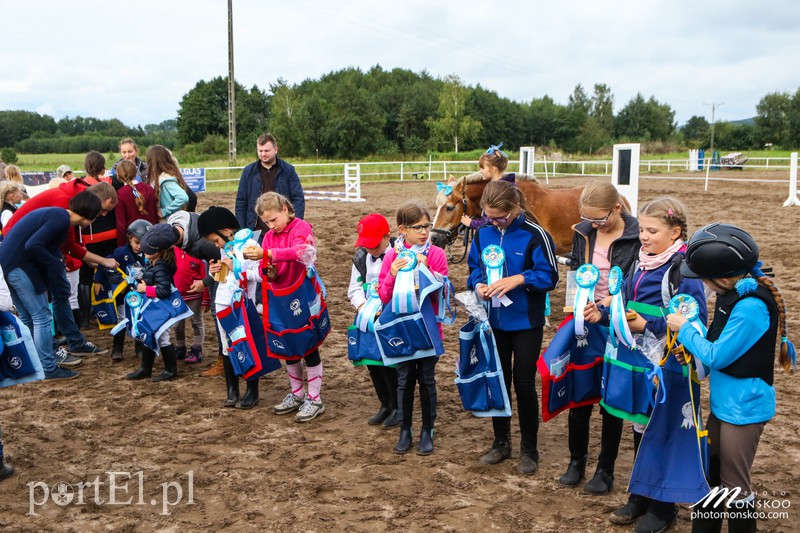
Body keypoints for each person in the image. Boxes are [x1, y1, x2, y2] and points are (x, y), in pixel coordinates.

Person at [667, 223, 794, 533]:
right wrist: (693, 356)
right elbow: (713, 353)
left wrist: (685, 329)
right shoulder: (731, 295)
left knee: (735, 483)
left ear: (722, 278)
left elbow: (717, 355)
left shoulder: (750, 307)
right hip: (726, 404)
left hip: (744, 409)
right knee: (711, 472)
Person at [591, 197, 707, 533]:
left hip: (669, 365)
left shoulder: (683, 271)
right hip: (639, 361)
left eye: (652, 230)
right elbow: (626, 302)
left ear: (675, 232)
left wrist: (648, 327)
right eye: (641, 228)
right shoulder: (640, 262)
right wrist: (603, 313)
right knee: (640, 425)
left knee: (663, 431)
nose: (643, 236)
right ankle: (641, 494)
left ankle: (663, 506)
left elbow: (693, 324)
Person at [466, 180, 559, 474]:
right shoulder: (482, 234)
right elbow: (473, 269)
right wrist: (478, 284)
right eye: (489, 216)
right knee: (499, 380)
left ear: (515, 207)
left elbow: (550, 276)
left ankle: (529, 449)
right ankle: (501, 442)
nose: (494, 222)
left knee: (523, 383)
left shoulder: (536, 235)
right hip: (494, 321)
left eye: (500, 217)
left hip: (526, 322)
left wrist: (520, 279)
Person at [559, 180, 640, 493]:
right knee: (580, 393)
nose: (593, 225)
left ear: (617, 208)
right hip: (586, 320)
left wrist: (606, 306)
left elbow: (632, 283)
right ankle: (575, 461)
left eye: (599, 219)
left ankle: (605, 469)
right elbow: (579, 271)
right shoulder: (584, 232)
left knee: (612, 399)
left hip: (618, 321)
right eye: (588, 219)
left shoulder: (635, 236)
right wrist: (577, 308)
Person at [4, 180, 116, 359]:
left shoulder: (68, 206)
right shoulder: (63, 207)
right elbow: (66, 244)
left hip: (16, 254)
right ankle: (50, 355)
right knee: (41, 313)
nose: (103, 215)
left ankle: (51, 351)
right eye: (103, 210)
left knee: (45, 304)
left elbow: (65, 243)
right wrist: (57, 263)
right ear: (92, 204)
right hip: (21, 256)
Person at [242, 192, 325, 422]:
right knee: (287, 346)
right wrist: (267, 271)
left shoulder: (301, 228)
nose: (271, 226)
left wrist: (267, 254)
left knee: (308, 346)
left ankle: (315, 398)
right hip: (279, 297)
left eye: (274, 219)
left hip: (301, 295)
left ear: (286, 210)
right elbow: (263, 267)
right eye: (266, 222)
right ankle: (298, 393)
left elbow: (302, 253)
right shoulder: (269, 236)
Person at [376, 202, 449, 455]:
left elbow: (441, 293)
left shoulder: (436, 254)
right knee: (404, 380)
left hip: (428, 330)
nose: (424, 232)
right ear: (402, 229)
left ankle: (427, 430)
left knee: (427, 380)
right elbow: (384, 296)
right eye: (418, 227)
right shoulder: (391, 256)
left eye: (427, 226)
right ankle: (405, 429)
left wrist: (426, 268)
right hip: (402, 331)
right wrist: (393, 273)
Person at [199, 206, 263, 409]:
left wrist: (238, 270)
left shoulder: (250, 245)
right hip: (223, 302)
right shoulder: (225, 248)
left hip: (243, 303)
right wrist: (216, 270)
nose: (216, 245)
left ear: (226, 231)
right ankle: (231, 389)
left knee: (246, 343)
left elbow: (259, 274)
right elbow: (223, 277)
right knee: (227, 346)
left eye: (216, 240)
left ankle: (252, 391)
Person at [347, 213, 400, 428]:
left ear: (388, 237)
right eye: (367, 246)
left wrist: (383, 309)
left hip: (390, 313)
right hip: (367, 316)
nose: (371, 250)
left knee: (390, 363)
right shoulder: (361, 257)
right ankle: (385, 404)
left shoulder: (399, 253)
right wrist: (363, 307)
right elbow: (354, 287)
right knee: (372, 362)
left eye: (375, 245)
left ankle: (397, 407)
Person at [167, 210, 226, 377]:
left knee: (219, 314)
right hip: (215, 281)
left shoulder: (205, 246)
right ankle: (226, 358)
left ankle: (227, 359)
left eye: (215, 241)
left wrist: (205, 283)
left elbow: (224, 266)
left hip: (223, 284)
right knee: (219, 314)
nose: (216, 244)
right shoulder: (197, 244)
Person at [125, 223, 182, 382]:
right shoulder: (153, 264)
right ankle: (145, 368)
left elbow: (164, 291)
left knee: (163, 338)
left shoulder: (161, 267)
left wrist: (145, 289)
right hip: (153, 308)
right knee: (148, 334)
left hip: (161, 309)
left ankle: (171, 370)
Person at [93, 219, 152, 361]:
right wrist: (98, 280)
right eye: (137, 243)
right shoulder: (120, 253)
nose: (139, 247)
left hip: (141, 295)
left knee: (140, 321)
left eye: (142, 244)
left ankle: (139, 349)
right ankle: (117, 349)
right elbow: (104, 262)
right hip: (124, 296)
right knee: (122, 321)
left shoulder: (149, 254)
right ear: (130, 238)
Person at [235, 132, 305, 233]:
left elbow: (298, 199)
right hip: (255, 231)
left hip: (283, 230)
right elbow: (241, 202)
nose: (263, 154)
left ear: (275, 150)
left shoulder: (288, 170)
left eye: (267, 150)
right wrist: (241, 229)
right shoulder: (248, 172)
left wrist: (295, 225)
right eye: (260, 151)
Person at [461, 144, 517, 229]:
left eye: (482, 168)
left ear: (493, 169)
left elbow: (493, 220)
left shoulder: (500, 190)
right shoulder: (506, 185)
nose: (480, 171)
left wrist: (471, 223)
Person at [172, 247, 208, 364]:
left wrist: (206, 299)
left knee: (196, 321)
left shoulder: (198, 254)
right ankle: (180, 347)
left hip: (195, 295)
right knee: (177, 323)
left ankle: (197, 348)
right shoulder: (174, 251)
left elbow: (205, 277)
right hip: (177, 295)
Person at [111, 159, 158, 247]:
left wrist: (121, 247)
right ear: (136, 172)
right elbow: (155, 216)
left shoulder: (120, 194)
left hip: (133, 242)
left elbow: (121, 227)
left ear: (118, 175)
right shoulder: (149, 189)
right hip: (151, 236)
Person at [145, 144, 190, 219]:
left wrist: (165, 211)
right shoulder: (162, 178)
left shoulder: (166, 180)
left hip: (170, 220)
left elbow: (183, 197)